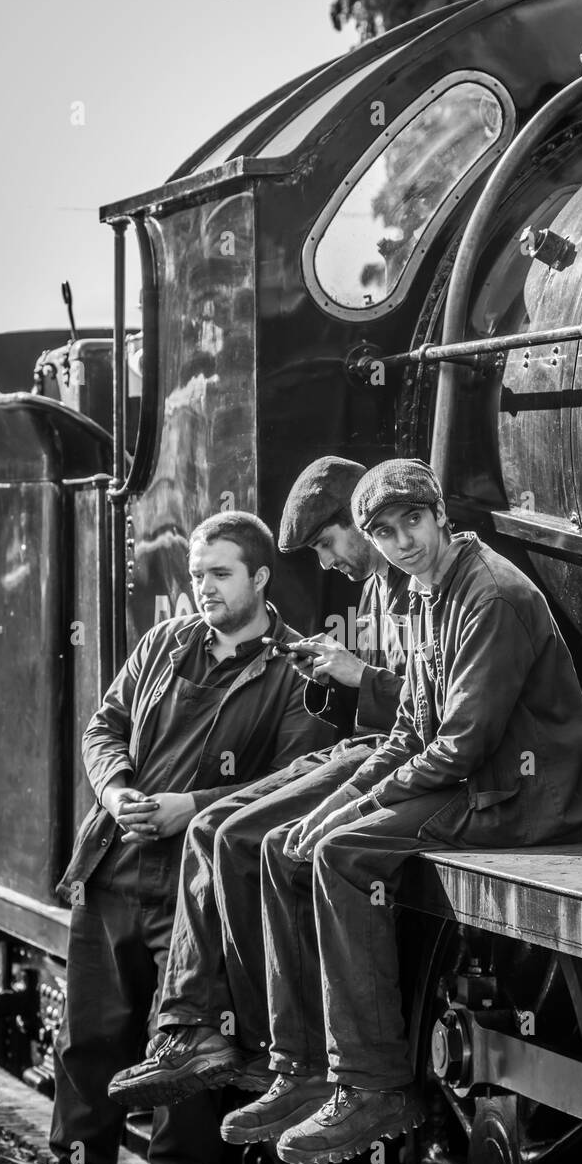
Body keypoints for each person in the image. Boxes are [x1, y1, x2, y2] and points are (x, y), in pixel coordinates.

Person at [221, 458, 582, 1164]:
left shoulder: (486, 593)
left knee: (342, 856)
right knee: (288, 844)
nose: (402, 541)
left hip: (524, 800)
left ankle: (373, 1085)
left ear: (438, 517)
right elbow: (407, 733)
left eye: (413, 523)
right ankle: (304, 1066)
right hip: (476, 782)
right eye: (384, 531)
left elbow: (460, 745)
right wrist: (334, 804)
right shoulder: (422, 596)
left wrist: (353, 812)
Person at [25, 510, 328, 1164]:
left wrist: (188, 806)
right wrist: (118, 789)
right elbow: (105, 726)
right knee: (90, 1035)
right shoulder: (163, 643)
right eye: (196, 575)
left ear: (259, 577)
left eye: (219, 574)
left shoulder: (294, 671)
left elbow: (291, 783)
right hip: (116, 866)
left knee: (188, 1039)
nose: (204, 589)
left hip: (199, 885)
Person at [106, 457, 410, 1129]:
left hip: (394, 758)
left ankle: (279, 1055)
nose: (329, 564)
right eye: (198, 577)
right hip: (373, 747)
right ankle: (199, 1033)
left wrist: (359, 681)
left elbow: (432, 714)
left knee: (253, 837)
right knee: (219, 826)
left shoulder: (419, 585)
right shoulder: (388, 588)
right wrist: (343, 682)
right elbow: (107, 725)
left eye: (331, 545)